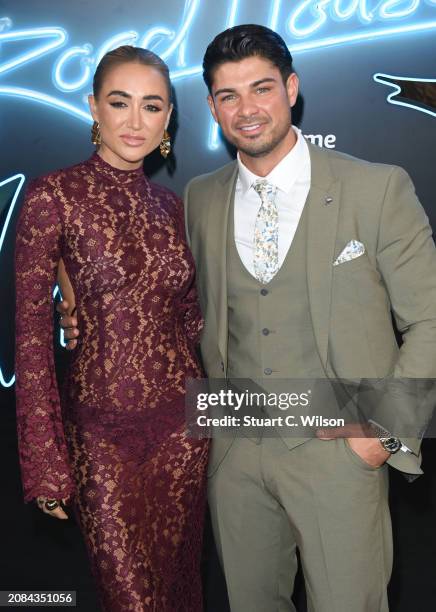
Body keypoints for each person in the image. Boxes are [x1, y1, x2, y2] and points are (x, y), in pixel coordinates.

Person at [59, 25, 436, 612]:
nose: (247, 109)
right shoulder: (199, 199)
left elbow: (430, 320)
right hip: (231, 447)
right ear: (211, 108)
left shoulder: (375, 188)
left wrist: (381, 436)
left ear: (291, 88)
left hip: (340, 447)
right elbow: (154, 298)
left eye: (261, 89)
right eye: (228, 96)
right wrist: (74, 301)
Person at [15, 45, 208, 612]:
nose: (134, 120)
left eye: (152, 106)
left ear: (168, 117)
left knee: (180, 592)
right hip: (100, 438)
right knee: (132, 600)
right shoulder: (53, 195)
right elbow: (29, 339)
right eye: (119, 102)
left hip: (184, 433)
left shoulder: (172, 207)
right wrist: (45, 461)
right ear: (93, 107)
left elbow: (190, 317)